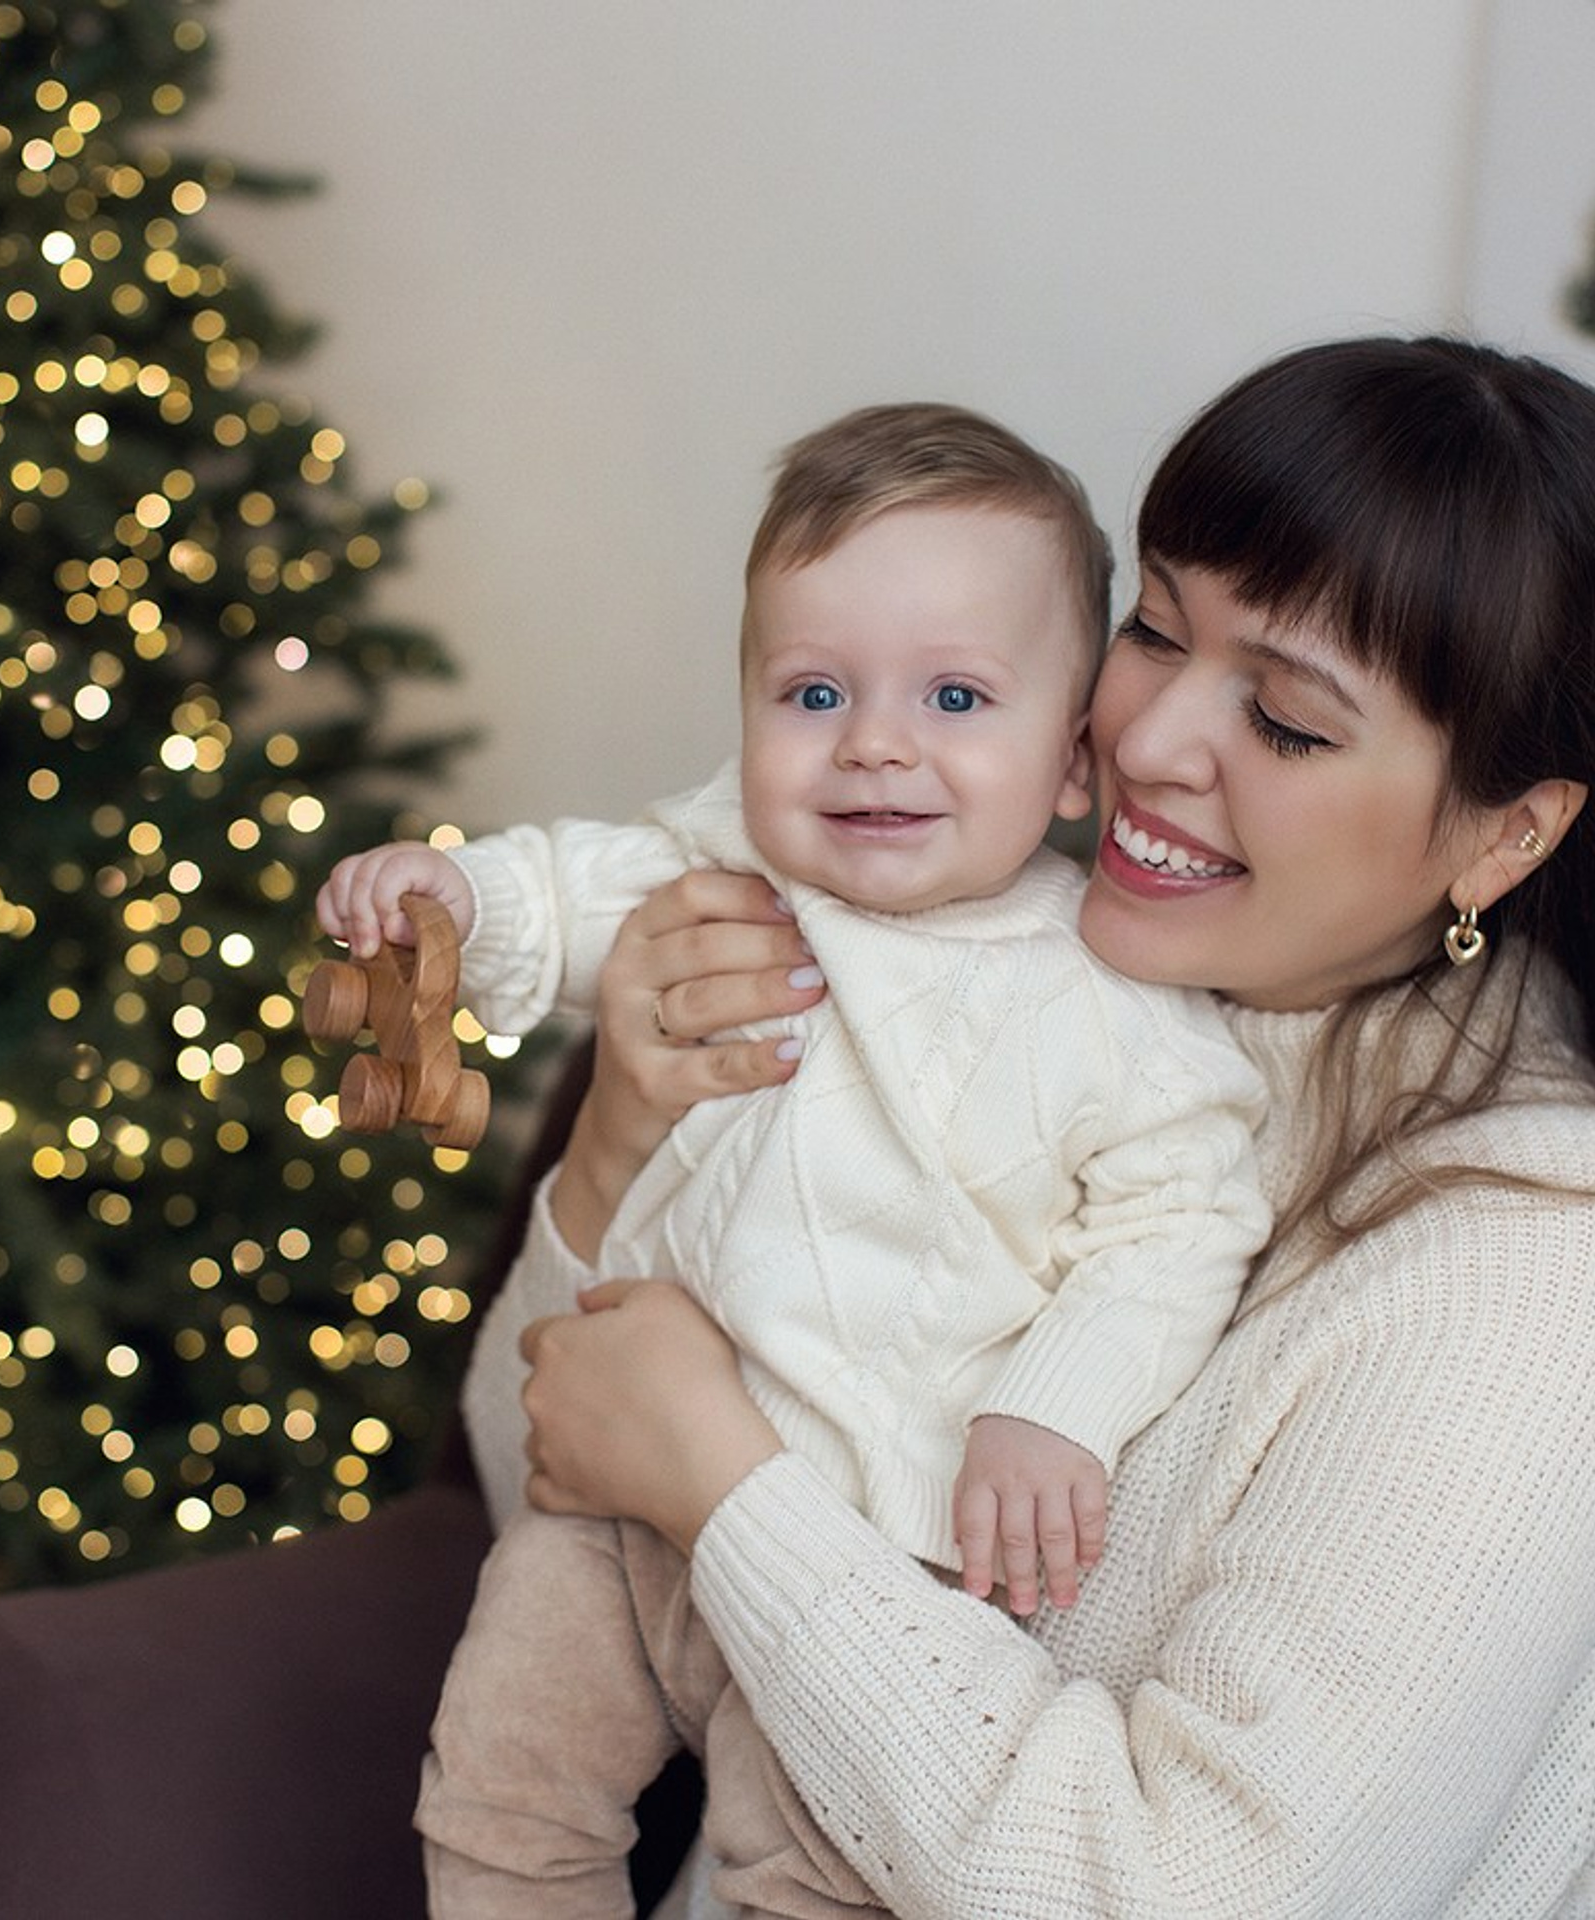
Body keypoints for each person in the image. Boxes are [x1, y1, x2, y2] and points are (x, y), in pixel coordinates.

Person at [481, 335, 1595, 1916]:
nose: (1144, 742)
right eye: (1154, 628)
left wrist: (731, 1492)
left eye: (1282, 719)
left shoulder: (1523, 1290)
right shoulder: (941, 943)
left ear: (1508, 832)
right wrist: (615, 1147)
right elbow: (537, 1484)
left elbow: (1191, 1897)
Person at [318, 404, 1270, 1911]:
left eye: (957, 696)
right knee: (501, 1786)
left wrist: (1053, 1411)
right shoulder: (730, 876)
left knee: (807, 1875)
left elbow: (1180, 1224)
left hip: (864, 1558)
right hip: (611, 1518)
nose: (876, 743)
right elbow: (570, 892)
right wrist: (452, 899)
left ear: (1076, 765)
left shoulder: (1112, 1010)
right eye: (813, 691)